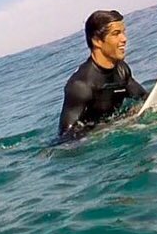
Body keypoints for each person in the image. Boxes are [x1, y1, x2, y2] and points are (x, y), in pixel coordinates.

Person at [58, 10, 148, 138]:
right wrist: (117, 125)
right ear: (97, 41)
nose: (124, 39)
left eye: (123, 32)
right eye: (116, 34)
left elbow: (144, 98)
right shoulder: (80, 85)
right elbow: (67, 138)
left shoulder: (122, 70)